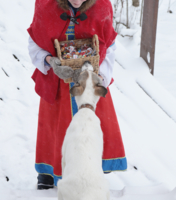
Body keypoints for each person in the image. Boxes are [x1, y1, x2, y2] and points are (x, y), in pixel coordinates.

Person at [27, 0, 127, 190]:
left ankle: (95, 166)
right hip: (58, 82)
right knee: (54, 125)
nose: (76, 1)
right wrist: (50, 61)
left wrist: (100, 77)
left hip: (90, 80)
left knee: (95, 124)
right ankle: (48, 171)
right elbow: (34, 41)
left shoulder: (102, 7)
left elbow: (110, 45)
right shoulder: (45, 5)